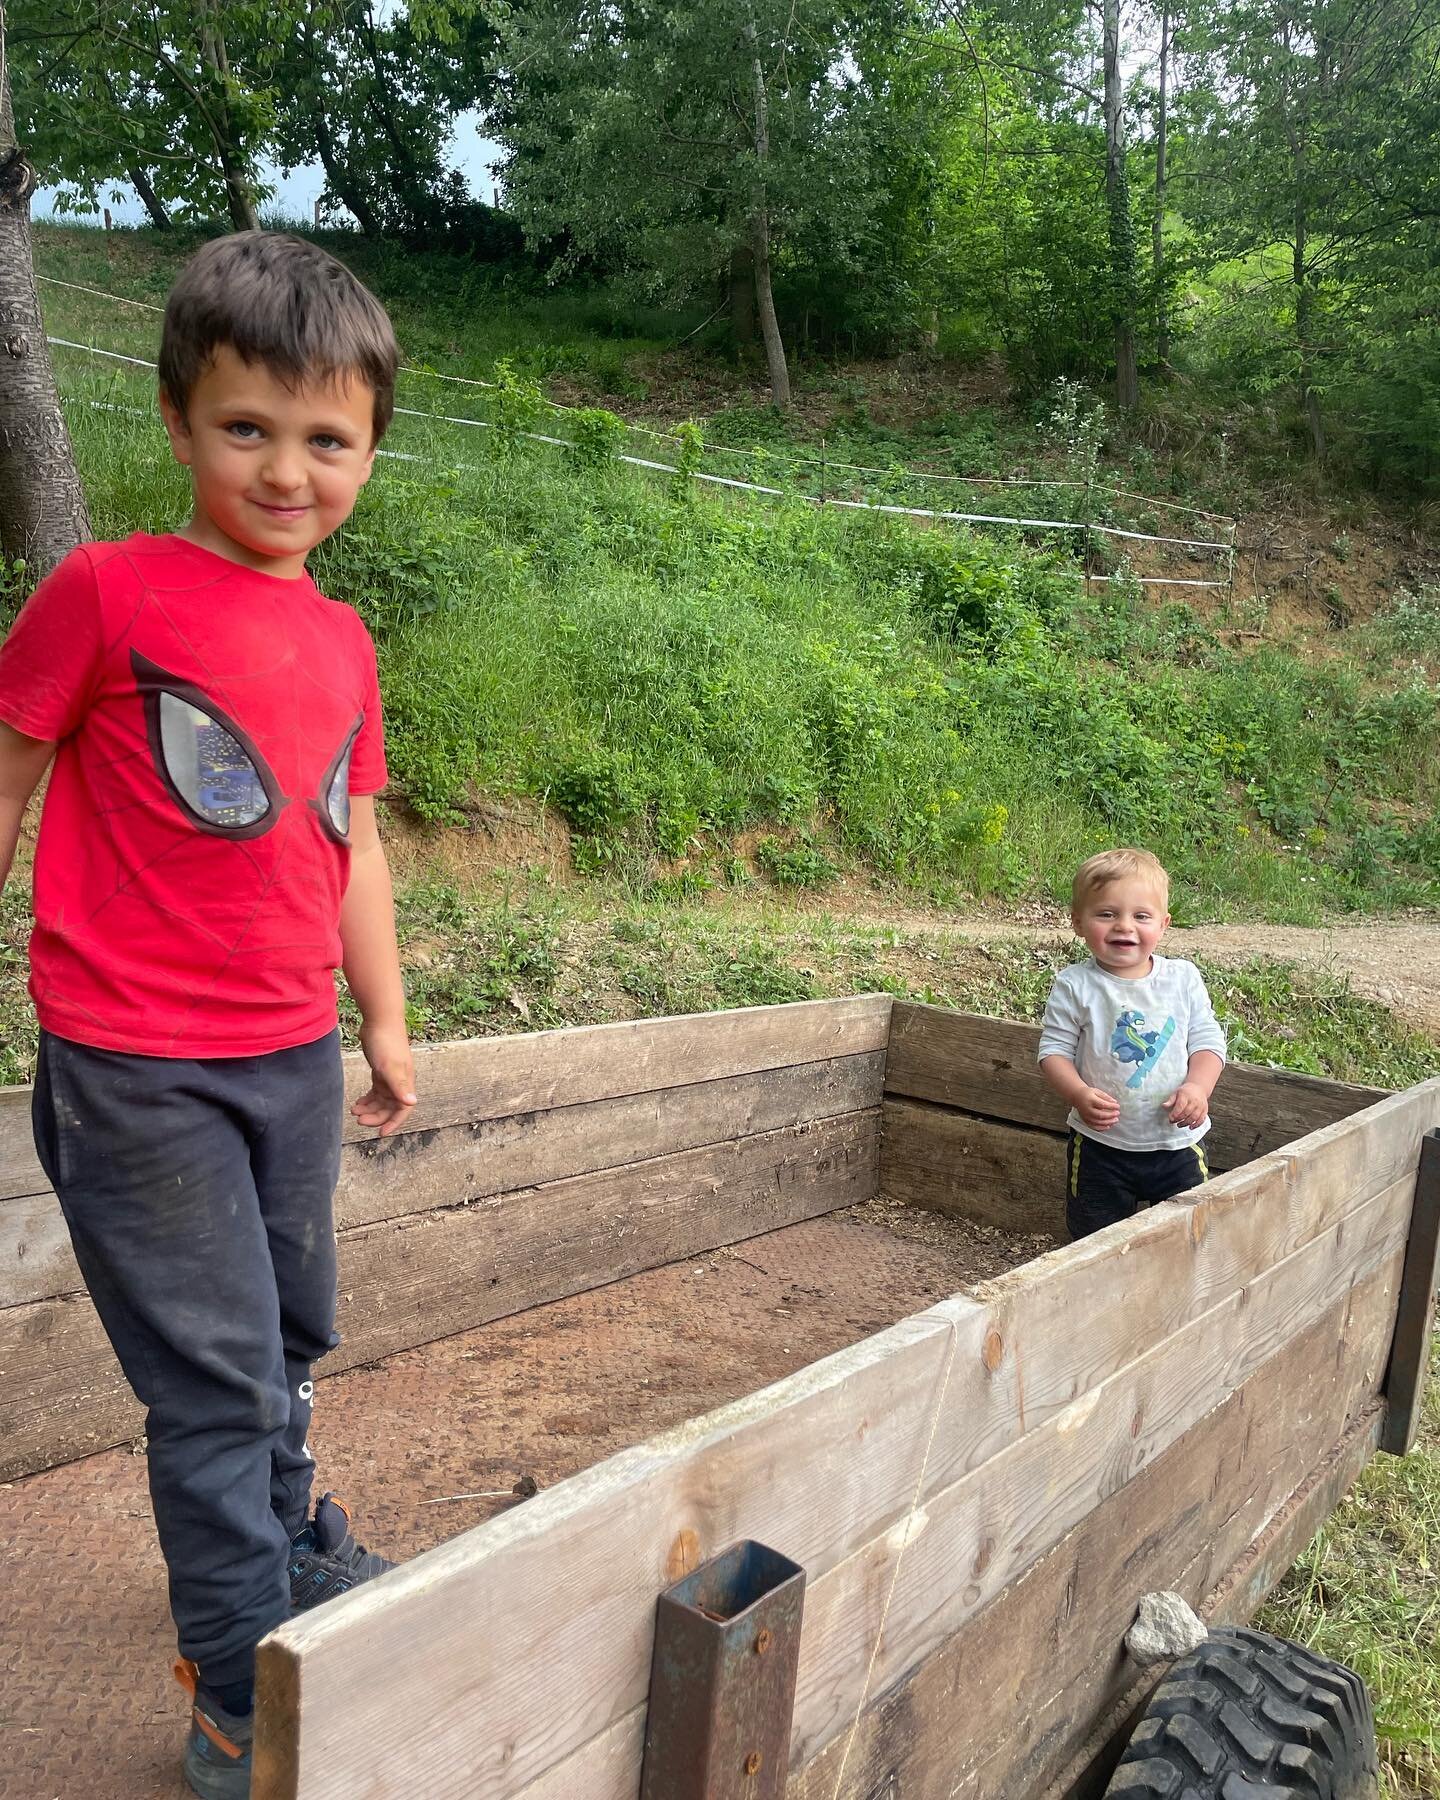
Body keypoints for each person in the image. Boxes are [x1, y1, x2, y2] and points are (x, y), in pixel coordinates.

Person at [0, 232, 418, 1799]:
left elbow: (350, 837)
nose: (288, 470)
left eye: (329, 440)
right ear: (179, 420)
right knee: (218, 1380)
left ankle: (289, 1548)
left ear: (369, 450)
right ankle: (242, 1687)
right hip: (137, 1065)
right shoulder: (105, 595)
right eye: (249, 427)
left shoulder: (343, 639)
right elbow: (11, 775)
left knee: (292, 1335)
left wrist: (380, 1020)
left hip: (289, 1057)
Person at [1038, 848, 1226, 1240]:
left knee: (1189, 1236)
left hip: (1176, 1143)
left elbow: (1207, 1043)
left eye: (1141, 916)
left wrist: (1197, 1087)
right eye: (1107, 914)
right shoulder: (1076, 985)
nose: (1125, 926)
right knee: (1093, 1239)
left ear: (1163, 923)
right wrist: (1078, 1093)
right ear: (1078, 922)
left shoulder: (1182, 979)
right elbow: (1054, 1052)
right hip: (1099, 1146)